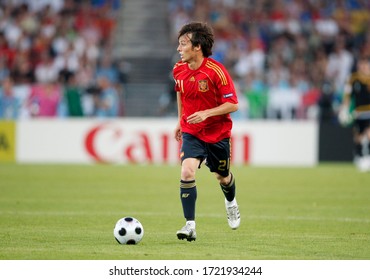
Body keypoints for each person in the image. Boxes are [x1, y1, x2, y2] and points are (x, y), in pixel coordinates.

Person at [172, 22, 240, 242]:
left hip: (217, 133)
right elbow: (180, 93)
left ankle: (230, 202)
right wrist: (180, 121)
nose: (179, 49)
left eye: (183, 44)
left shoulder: (216, 71)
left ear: (197, 47)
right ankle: (190, 226)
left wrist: (206, 114)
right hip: (192, 131)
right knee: (187, 171)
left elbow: (233, 105)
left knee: (222, 177)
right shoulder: (178, 70)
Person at [339, 56, 370, 172]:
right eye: (361, 64)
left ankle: (367, 157)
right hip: (358, 112)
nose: (362, 67)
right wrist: (345, 109)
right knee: (358, 137)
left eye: (365, 64)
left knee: (369, 134)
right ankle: (359, 156)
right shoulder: (353, 78)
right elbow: (347, 95)